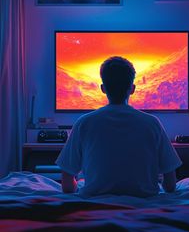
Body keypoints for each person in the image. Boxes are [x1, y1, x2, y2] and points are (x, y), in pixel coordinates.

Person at [55, 56, 182, 197]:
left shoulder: (84, 123)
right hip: (145, 203)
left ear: (103, 88)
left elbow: (66, 185)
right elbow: (170, 185)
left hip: (95, 203)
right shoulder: (152, 123)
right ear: (132, 89)